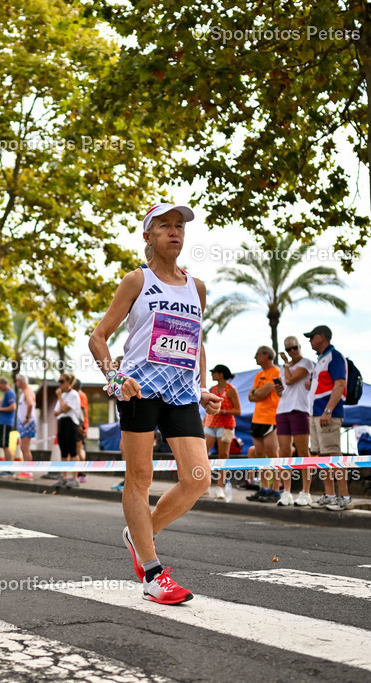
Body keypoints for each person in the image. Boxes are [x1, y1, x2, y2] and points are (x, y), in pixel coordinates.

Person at [88, 202, 221, 605]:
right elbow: (98, 338)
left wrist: (200, 388)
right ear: (148, 236)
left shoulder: (196, 286)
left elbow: (194, 340)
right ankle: (151, 571)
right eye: (164, 226)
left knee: (198, 477)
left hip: (181, 392)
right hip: (139, 387)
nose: (174, 232)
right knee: (140, 478)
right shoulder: (136, 281)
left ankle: (139, 533)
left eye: (179, 226)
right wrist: (115, 379)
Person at [305, 325, 351, 511]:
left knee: (334, 454)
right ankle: (330, 495)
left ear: (322, 337)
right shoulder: (321, 360)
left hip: (327, 414)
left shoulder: (335, 356)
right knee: (323, 455)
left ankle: (345, 497)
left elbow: (340, 385)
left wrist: (328, 410)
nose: (309, 341)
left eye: (312, 337)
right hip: (316, 413)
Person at [275, 336, 315, 506]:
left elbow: (291, 380)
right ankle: (286, 491)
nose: (292, 351)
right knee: (284, 453)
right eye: (288, 348)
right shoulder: (283, 368)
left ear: (300, 346)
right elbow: (284, 389)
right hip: (282, 409)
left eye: (294, 348)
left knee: (303, 452)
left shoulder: (306, 363)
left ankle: (306, 491)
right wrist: (278, 389)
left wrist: (285, 364)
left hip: (299, 409)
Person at [245, 346, 282, 503]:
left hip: (271, 418)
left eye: (257, 354)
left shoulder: (276, 372)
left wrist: (258, 392)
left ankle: (276, 490)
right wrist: (259, 392)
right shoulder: (259, 374)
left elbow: (262, 392)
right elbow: (251, 396)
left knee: (273, 456)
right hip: (257, 419)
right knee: (259, 455)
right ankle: (263, 488)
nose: (255, 357)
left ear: (266, 355)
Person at [204, 364, 240, 501]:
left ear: (221, 374)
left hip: (225, 425)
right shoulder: (212, 389)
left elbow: (238, 410)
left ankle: (220, 486)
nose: (212, 374)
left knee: (223, 455)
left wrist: (223, 411)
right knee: (203, 453)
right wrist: (204, 420)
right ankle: (204, 485)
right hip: (211, 423)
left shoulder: (231, 390)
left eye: (214, 372)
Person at [53, 373, 82, 488]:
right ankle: (64, 477)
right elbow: (56, 412)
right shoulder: (64, 395)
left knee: (73, 451)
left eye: (62, 381)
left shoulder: (73, 394)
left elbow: (64, 409)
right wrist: (61, 406)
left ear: (69, 382)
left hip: (71, 423)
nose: (60, 384)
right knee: (63, 452)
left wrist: (60, 398)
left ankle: (74, 477)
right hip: (62, 423)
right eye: (59, 381)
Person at [0, 377, 17, 477]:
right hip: (5, 422)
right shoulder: (8, 393)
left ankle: (9, 469)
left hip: (6, 422)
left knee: (5, 445)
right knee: (4, 445)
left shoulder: (9, 393)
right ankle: (8, 468)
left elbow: (13, 407)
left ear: (2, 384)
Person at [14, 373, 36, 479]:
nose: (16, 383)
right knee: (24, 447)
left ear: (21, 381)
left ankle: (28, 470)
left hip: (27, 423)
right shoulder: (25, 392)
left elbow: (30, 404)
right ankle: (27, 469)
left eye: (17, 380)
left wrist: (27, 418)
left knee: (25, 447)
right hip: (25, 423)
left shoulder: (27, 391)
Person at [75, 378, 90, 483]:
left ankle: (81, 472)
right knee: (81, 448)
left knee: (78, 449)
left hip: (79, 425)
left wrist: (81, 426)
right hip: (83, 425)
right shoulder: (83, 395)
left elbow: (82, 410)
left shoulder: (79, 395)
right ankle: (81, 472)